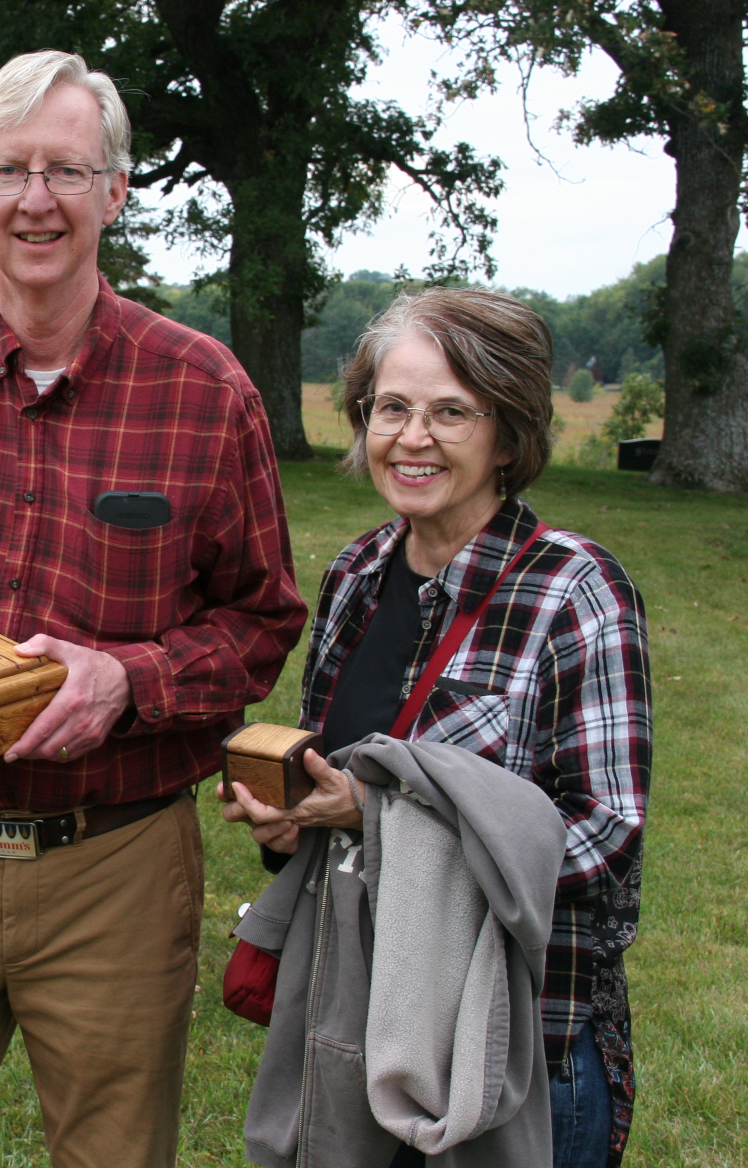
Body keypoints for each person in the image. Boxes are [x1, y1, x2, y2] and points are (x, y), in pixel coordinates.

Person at [0, 51, 307, 1168]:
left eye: (67, 171)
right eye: (12, 171)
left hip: (114, 863)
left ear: (114, 192)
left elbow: (263, 620)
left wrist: (129, 678)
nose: (38, 200)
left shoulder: (204, 392)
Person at [220, 287, 650, 1167]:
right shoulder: (358, 573)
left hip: (514, 1050)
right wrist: (292, 817)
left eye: (451, 412)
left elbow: (602, 839)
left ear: (510, 435)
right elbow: (336, 774)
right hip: (359, 1026)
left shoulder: (575, 590)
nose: (412, 439)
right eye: (392, 408)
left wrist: (376, 820)